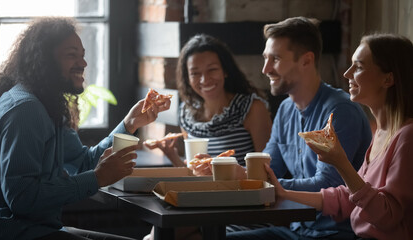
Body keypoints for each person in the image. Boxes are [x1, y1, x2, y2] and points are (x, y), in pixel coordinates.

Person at [0, 17, 170, 240]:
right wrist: (96, 179)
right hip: (15, 233)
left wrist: (130, 124)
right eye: (71, 55)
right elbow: (22, 198)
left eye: (82, 55)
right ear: (44, 60)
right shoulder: (26, 110)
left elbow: (83, 162)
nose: (83, 63)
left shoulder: (45, 104)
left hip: (40, 229)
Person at [227, 17, 373, 239]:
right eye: (265, 59)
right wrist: (230, 173)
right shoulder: (286, 109)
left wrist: (259, 182)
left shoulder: (340, 111)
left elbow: (326, 185)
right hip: (296, 229)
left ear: (306, 60)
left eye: (275, 59)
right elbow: (268, 167)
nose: (266, 69)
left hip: (334, 233)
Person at [264, 33, 413, 239]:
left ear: (388, 78)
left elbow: (387, 216)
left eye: (358, 67)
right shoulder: (381, 133)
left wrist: (341, 162)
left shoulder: (407, 137)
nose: (347, 73)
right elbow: (347, 198)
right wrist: (283, 193)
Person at [145, 34, 272, 176]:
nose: (204, 80)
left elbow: (267, 171)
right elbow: (195, 175)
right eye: (195, 73)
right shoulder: (186, 114)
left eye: (212, 69)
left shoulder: (252, 108)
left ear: (225, 70)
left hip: (241, 195)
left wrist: (220, 168)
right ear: (187, 78)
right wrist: (172, 155)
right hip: (203, 195)